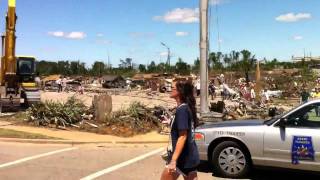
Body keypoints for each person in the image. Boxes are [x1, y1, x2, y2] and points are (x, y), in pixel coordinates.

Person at [161, 81, 200, 180]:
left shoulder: (182, 110)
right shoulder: (186, 107)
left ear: (180, 92)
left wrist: (173, 160)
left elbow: (183, 136)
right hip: (190, 156)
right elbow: (185, 126)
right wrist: (171, 122)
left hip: (182, 159)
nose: (169, 89)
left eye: (172, 87)